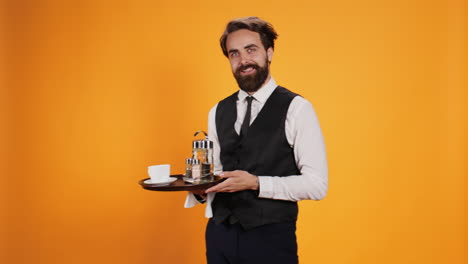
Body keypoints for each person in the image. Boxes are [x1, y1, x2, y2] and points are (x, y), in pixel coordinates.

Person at [184, 16, 328, 264]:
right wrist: (198, 190)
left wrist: (256, 183)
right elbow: (216, 173)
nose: (243, 60)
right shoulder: (217, 111)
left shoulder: (297, 108)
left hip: (270, 238)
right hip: (220, 235)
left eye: (251, 50)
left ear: (269, 53)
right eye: (234, 54)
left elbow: (316, 185)